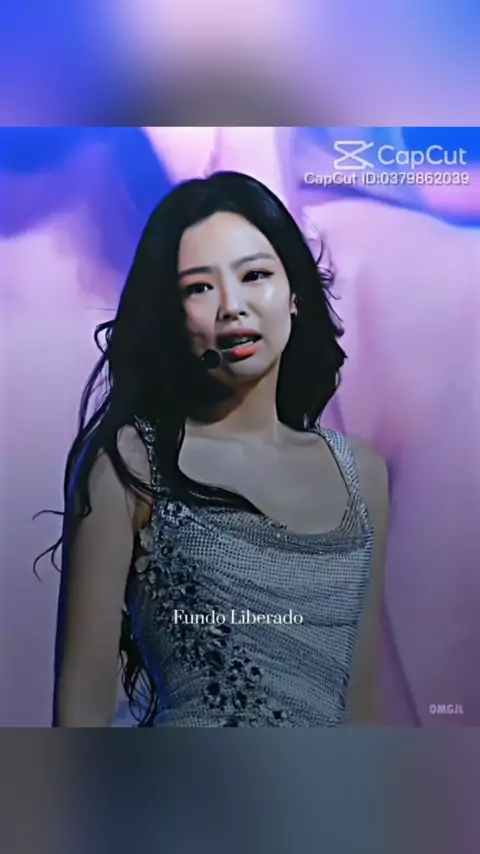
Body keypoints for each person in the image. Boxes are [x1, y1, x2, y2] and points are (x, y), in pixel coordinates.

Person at [50, 171, 389, 727]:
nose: (232, 306)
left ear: (295, 295)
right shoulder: (132, 463)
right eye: (199, 288)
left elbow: (363, 701)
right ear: (172, 316)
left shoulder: (362, 476)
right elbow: (80, 711)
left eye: (255, 275)